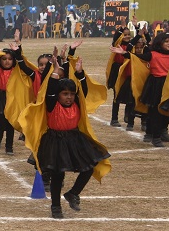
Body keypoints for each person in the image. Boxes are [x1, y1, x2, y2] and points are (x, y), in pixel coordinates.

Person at [21, 57, 111, 218]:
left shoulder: (77, 103)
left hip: (74, 139)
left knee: (89, 167)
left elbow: (83, 90)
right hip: (55, 140)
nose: (69, 97)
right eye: (64, 94)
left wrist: (79, 73)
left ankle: (73, 193)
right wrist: (55, 73)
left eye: (71, 94)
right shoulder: (52, 104)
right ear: (58, 95)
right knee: (58, 175)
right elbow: (50, 90)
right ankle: (55, 206)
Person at [114, 32, 169, 147]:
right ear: (160, 43)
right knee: (155, 111)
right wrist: (124, 53)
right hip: (156, 84)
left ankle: (163, 129)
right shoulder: (152, 54)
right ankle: (154, 135)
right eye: (166, 41)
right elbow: (137, 58)